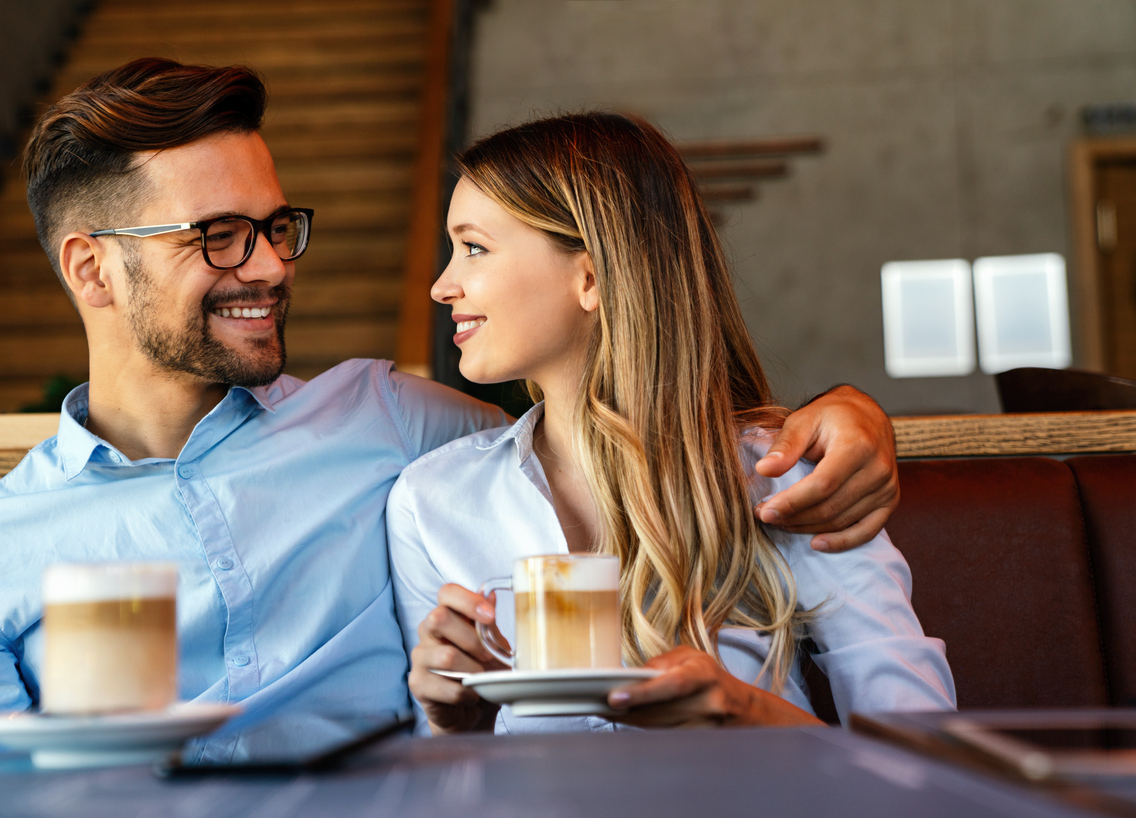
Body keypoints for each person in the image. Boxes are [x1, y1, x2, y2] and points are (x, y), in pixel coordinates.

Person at [0, 60, 902, 757]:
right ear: (92, 266)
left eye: (274, 226)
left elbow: (605, 425)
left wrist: (849, 413)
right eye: (218, 235)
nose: (269, 264)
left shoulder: (387, 424)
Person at [388, 113, 956, 737]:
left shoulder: (782, 478)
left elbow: (929, 765)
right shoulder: (429, 502)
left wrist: (748, 713)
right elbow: (438, 790)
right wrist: (451, 730)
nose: (442, 286)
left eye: (473, 247)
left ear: (592, 276)